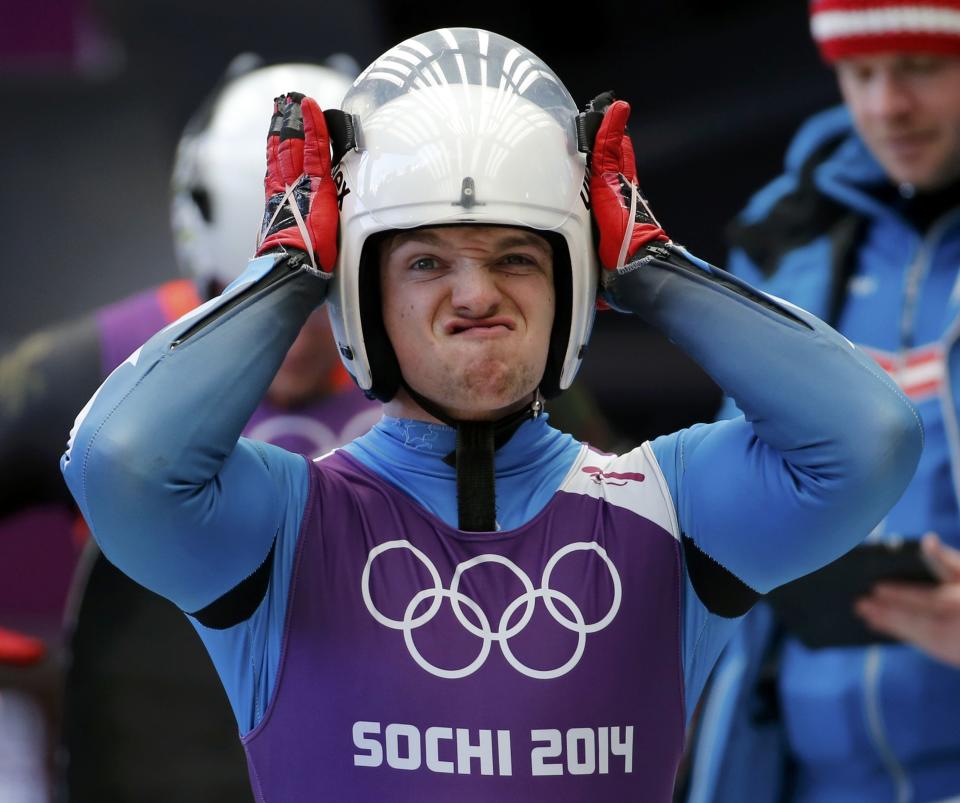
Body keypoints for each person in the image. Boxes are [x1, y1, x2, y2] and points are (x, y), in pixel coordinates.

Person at [60, 28, 921, 801]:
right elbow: (117, 462)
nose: (478, 293)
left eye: (518, 256)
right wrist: (290, 270)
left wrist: (651, 266)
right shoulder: (286, 524)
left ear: (573, 286)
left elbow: (871, 440)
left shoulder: (671, 508)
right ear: (360, 293)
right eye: (427, 260)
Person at [0, 60, 380, 803]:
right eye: (247, 294)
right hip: (159, 765)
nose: (293, 338)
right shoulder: (98, 364)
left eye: (320, 298)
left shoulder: (463, 360)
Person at [682, 1, 960, 801]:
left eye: (920, 67)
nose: (885, 106)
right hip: (802, 772)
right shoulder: (786, 239)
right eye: (860, 72)